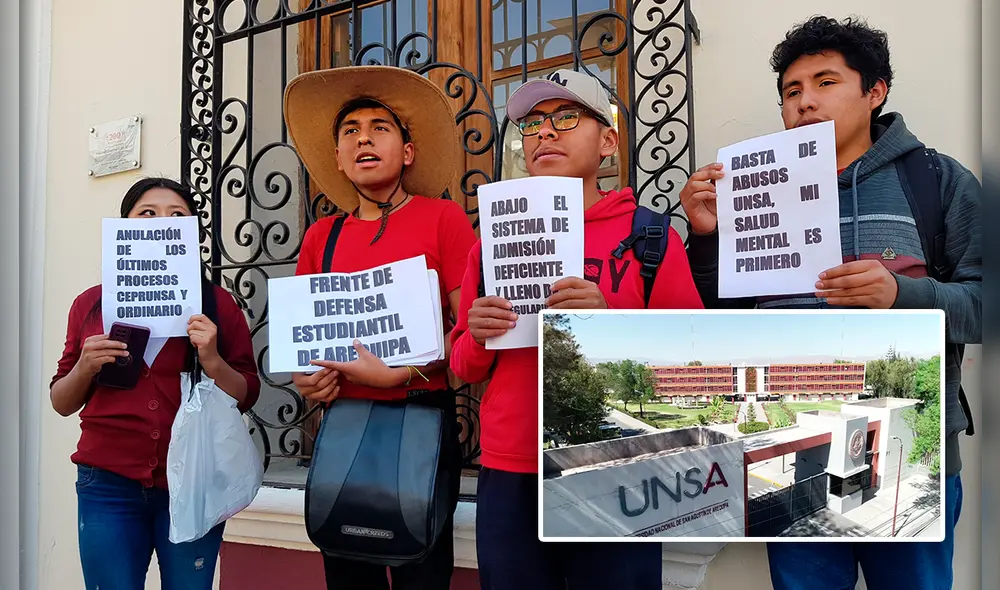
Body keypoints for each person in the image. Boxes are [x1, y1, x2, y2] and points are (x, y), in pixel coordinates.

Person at [678, 16, 981, 590]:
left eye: (825, 82)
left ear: (875, 92)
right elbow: (720, 323)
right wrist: (707, 239)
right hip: (790, 458)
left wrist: (902, 294)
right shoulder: (751, 191)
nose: (805, 103)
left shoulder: (936, 180)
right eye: (791, 92)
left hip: (909, 458)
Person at [450, 68, 704, 590]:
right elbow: (462, 366)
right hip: (511, 467)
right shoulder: (492, 242)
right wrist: (476, 335)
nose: (545, 132)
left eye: (566, 117)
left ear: (608, 141)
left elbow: (691, 360)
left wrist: (608, 321)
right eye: (533, 124)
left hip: (616, 464)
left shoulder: (650, 236)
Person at [283, 65, 477, 590]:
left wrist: (402, 374)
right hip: (345, 424)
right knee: (347, 570)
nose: (364, 137)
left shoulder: (443, 220)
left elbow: (470, 333)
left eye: (380, 127)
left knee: (422, 572)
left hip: (423, 423)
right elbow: (310, 341)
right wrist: (308, 380)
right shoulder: (320, 237)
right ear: (340, 159)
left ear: (407, 152)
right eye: (350, 132)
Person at [50, 177, 262, 590]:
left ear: (191, 232)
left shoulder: (217, 305)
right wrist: (85, 367)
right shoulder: (90, 304)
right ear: (125, 227)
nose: (161, 223)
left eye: (176, 215)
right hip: (107, 483)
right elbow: (61, 400)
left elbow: (247, 393)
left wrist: (213, 360)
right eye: (147, 213)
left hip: (193, 481)